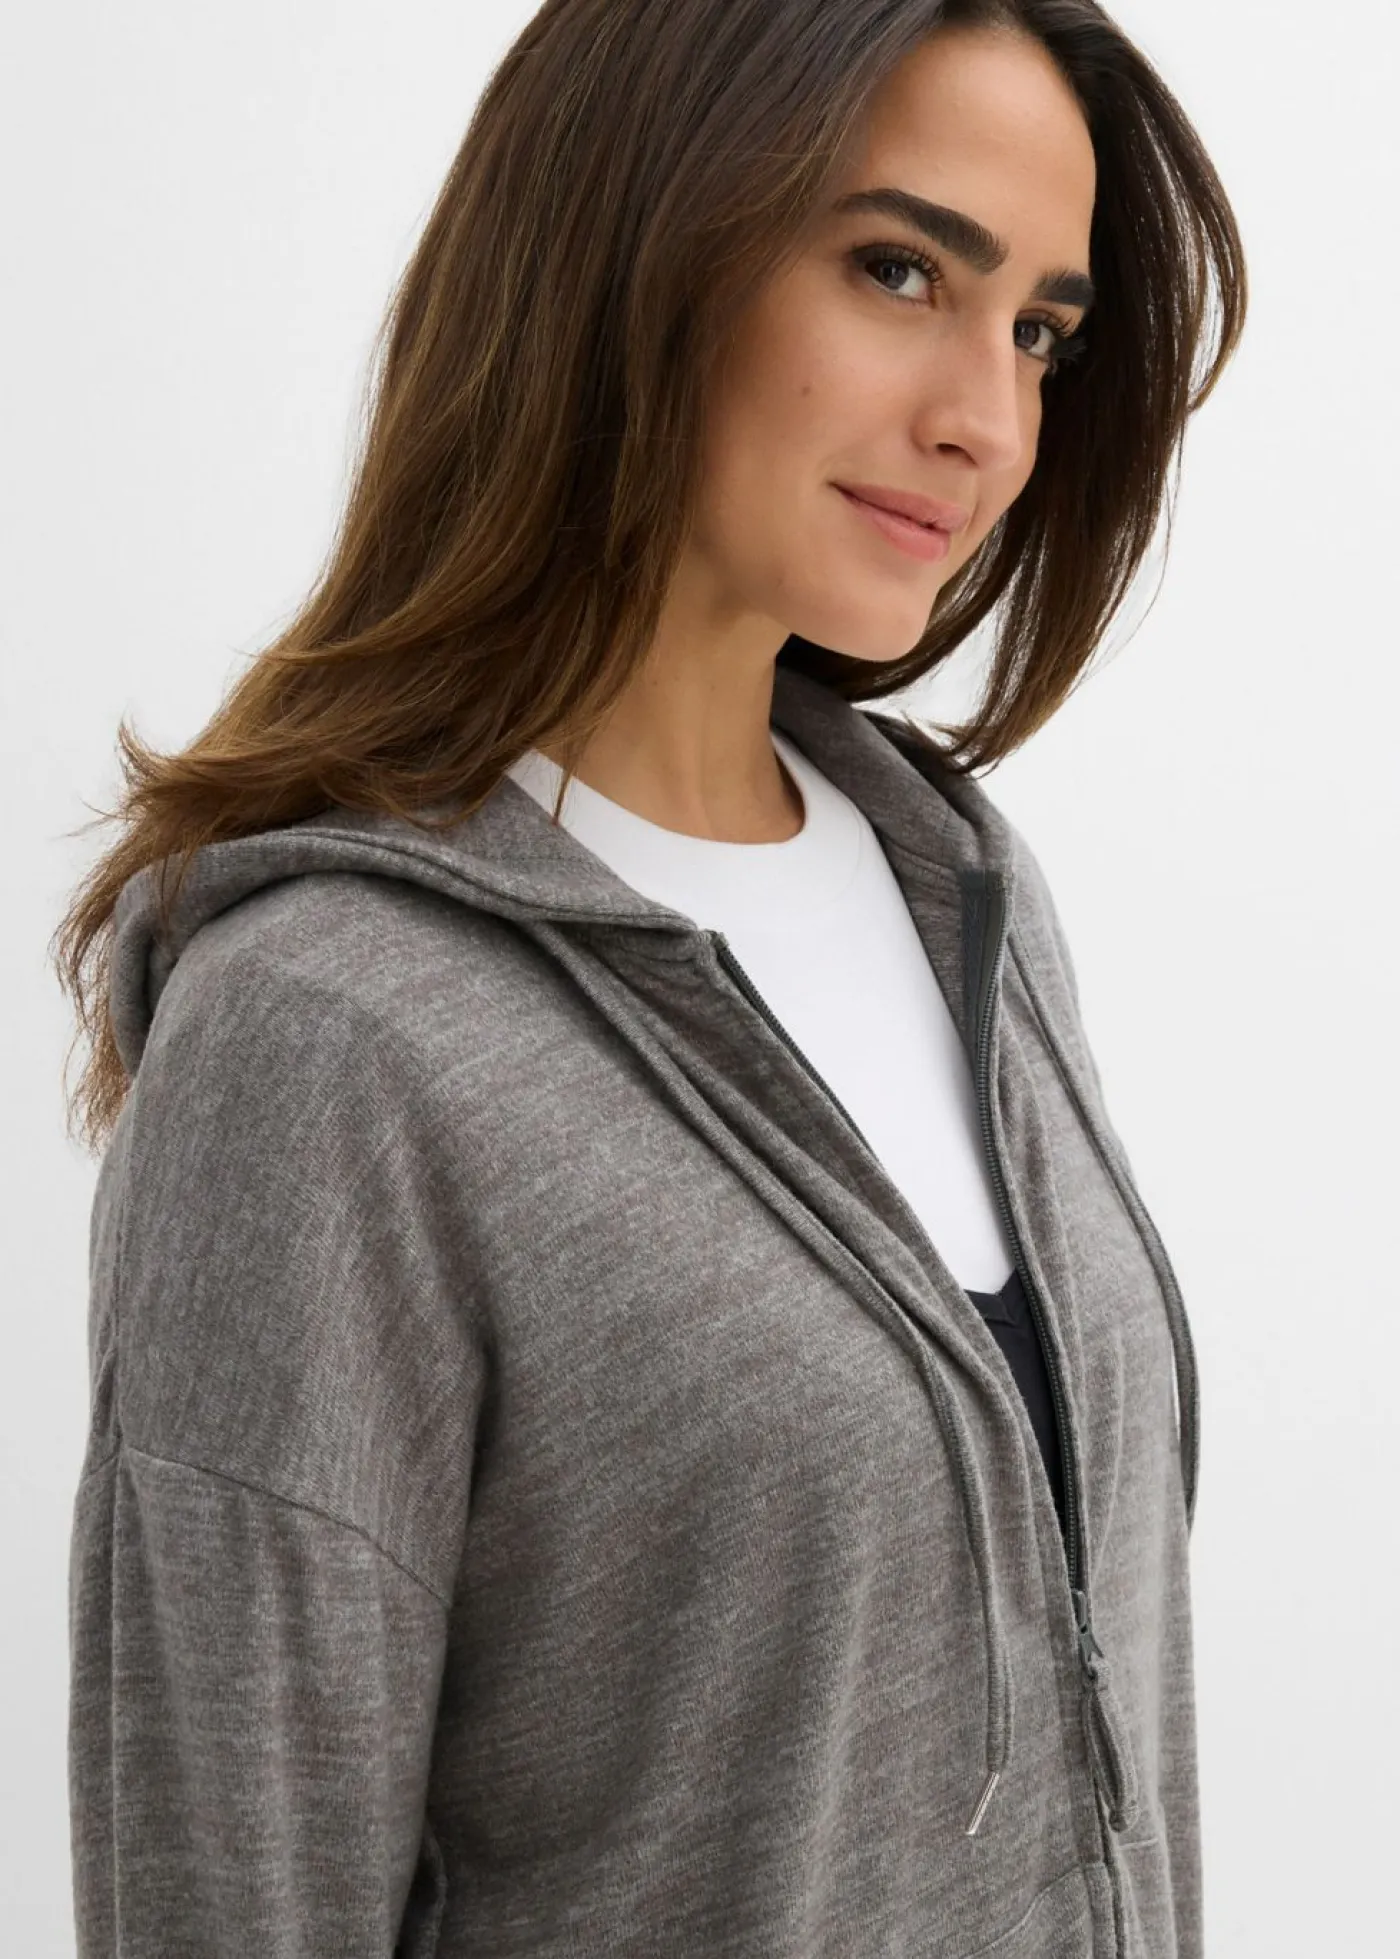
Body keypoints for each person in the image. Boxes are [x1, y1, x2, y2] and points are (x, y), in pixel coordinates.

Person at [53, 1, 1246, 1953]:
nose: (992, 419)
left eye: (1040, 328)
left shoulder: (965, 899)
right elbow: (232, 1891)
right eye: (899, 270)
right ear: (636, 246)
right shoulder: (329, 1036)